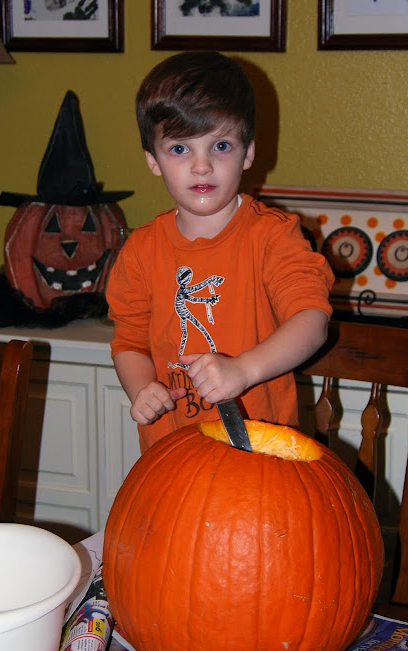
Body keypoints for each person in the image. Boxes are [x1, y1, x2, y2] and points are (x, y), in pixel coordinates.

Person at [106, 51, 334, 454]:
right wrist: (142, 388)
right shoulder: (141, 250)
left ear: (248, 153)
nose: (202, 166)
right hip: (172, 453)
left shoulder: (273, 237)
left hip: (261, 452)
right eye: (180, 149)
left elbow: (311, 321)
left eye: (221, 146)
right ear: (153, 161)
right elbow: (129, 342)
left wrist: (243, 370)